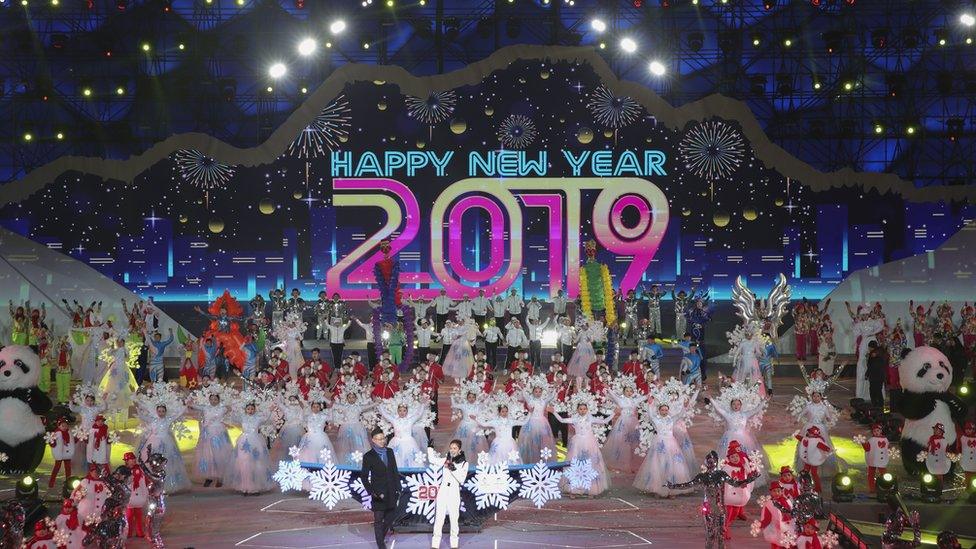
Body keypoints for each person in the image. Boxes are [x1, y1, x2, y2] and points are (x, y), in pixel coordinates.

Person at [362, 427, 402, 549]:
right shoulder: (369, 456)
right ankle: (380, 543)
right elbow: (364, 477)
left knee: (390, 517)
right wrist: (372, 492)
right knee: (378, 519)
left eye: (383, 438)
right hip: (378, 493)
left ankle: (381, 536)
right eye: (378, 439)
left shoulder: (389, 452)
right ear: (373, 440)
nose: (381, 441)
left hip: (391, 490)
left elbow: (395, 471)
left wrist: (398, 488)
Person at [428, 441, 468, 549]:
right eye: (451, 448)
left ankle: (454, 545)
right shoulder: (445, 460)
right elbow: (432, 460)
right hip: (443, 491)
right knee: (439, 519)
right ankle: (435, 545)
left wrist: (452, 468)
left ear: (459, 450)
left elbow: (461, 479)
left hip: (454, 492)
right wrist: (430, 448)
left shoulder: (464, 463)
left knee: (454, 519)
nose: (452, 450)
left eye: (455, 448)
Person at [866, 340, 888, 409]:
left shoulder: (873, 354)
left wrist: (867, 374)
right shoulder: (881, 353)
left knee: (874, 391)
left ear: (871, 347)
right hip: (880, 376)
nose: (869, 349)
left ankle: (876, 406)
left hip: (875, 376)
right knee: (878, 391)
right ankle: (880, 407)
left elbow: (870, 366)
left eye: (869, 347)